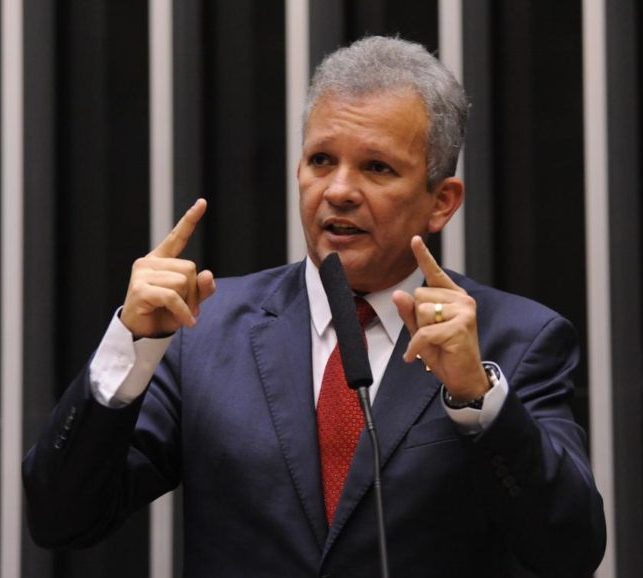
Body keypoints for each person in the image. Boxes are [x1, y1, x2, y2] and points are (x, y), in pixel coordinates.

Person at [23, 36, 605, 577]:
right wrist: (130, 346)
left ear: (442, 202)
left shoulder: (517, 340)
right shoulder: (204, 328)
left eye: (377, 167)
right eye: (322, 160)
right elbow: (61, 518)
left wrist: (477, 399)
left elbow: (569, 549)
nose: (339, 190)